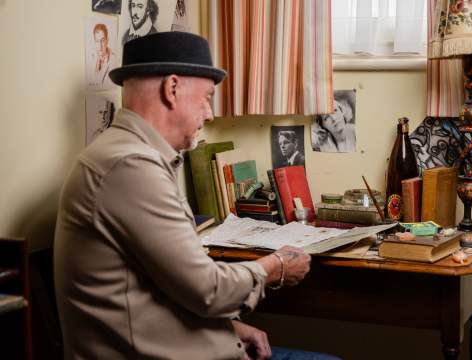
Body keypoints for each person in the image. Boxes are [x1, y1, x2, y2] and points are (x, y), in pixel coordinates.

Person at [55, 32, 335, 360]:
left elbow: (163, 287)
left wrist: (228, 329)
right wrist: (275, 267)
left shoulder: (131, 155)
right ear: (172, 88)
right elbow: (208, 290)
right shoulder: (130, 166)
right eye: (207, 97)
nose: (209, 113)